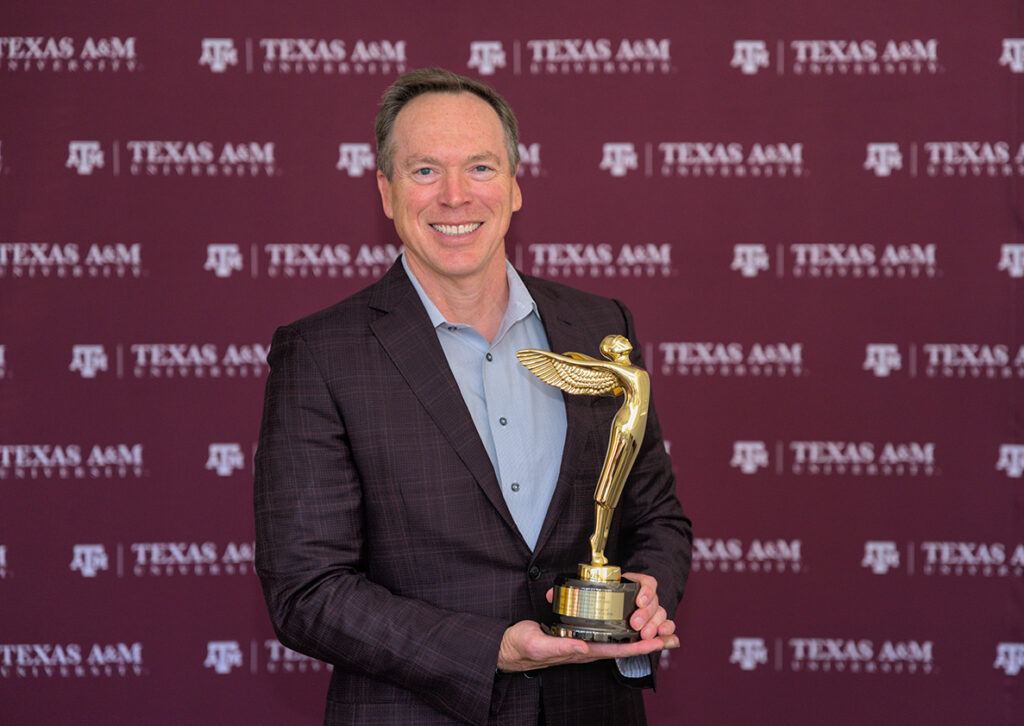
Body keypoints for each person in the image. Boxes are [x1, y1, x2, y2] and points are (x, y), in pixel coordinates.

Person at [254, 67, 692, 726]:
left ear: (516, 187)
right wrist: (492, 650)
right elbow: (307, 591)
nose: (455, 196)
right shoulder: (321, 354)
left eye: (481, 168)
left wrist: (645, 589)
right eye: (425, 171)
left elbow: (657, 519)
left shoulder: (600, 327)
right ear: (386, 191)